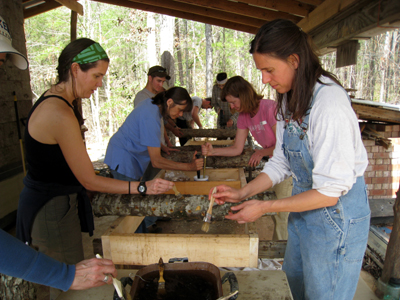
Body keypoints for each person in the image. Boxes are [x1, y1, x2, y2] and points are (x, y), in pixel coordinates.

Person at [208, 19, 370, 300]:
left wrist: (265, 207)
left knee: (323, 294)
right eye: (261, 71)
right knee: (294, 286)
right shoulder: (287, 98)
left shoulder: (329, 103)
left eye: (269, 70)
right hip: (305, 210)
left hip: (336, 216)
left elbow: (331, 192)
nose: (264, 80)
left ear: (294, 60)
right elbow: (281, 161)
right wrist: (243, 192)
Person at [0, 15, 118, 291]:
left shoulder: (63, 101)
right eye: (97, 75)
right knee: (64, 282)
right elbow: (89, 179)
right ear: (75, 69)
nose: (99, 83)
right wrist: (141, 187)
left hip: (56, 205)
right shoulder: (59, 110)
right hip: (50, 209)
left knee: (67, 274)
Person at [202, 75, 292, 240]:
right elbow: (237, 148)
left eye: (233, 102)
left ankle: (281, 256)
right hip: (274, 165)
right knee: (274, 209)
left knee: (283, 215)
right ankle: (277, 250)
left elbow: (284, 144)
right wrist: (212, 151)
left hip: (287, 166)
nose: (232, 106)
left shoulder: (269, 108)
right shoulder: (244, 117)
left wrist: (262, 152)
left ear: (243, 96)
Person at [104, 87, 203, 227]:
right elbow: (156, 161)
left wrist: (160, 144)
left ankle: (146, 228)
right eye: (180, 110)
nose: (181, 114)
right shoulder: (150, 115)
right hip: (123, 158)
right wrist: (189, 167)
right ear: (169, 102)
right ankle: (138, 240)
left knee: (138, 202)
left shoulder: (154, 106)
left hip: (130, 156)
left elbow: (146, 135)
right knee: (133, 208)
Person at [134, 65, 182, 147]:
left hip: (158, 145)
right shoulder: (142, 97)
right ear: (150, 78)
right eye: (159, 81)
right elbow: (145, 128)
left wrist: (167, 142)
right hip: (148, 148)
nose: (161, 84)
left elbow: (161, 122)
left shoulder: (158, 98)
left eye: (163, 82)